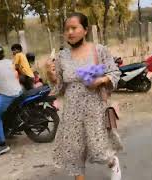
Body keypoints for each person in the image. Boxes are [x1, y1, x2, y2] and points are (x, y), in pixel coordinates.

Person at [46, 12, 123, 180]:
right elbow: (58, 87)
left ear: (85, 30)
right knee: (74, 153)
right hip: (72, 112)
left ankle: (112, 162)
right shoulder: (61, 56)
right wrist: (50, 75)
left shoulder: (99, 50)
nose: (70, 32)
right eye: (66, 29)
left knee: (99, 150)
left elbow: (114, 73)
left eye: (74, 28)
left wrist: (100, 80)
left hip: (95, 109)